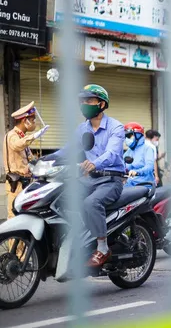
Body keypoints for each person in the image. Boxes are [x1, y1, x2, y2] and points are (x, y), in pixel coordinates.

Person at [49, 84, 125, 267]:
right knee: (58, 197)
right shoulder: (82, 128)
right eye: (82, 101)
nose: (84, 104)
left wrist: (94, 163)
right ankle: (78, 237)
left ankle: (103, 248)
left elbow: (112, 153)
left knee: (91, 203)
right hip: (90, 179)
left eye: (89, 100)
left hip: (111, 179)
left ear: (101, 104)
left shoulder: (116, 127)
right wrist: (46, 159)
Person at [3, 102, 48, 220]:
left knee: (25, 219)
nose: (34, 123)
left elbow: (29, 159)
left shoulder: (22, 136)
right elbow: (17, 145)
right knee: (14, 220)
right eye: (32, 120)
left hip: (25, 183)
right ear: (25, 121)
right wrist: (34, 136)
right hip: (16, 184)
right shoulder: (12, 135)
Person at [123, 122, 156, 188]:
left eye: (129, 136)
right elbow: (121, 164)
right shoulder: (129, 151)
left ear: (138, 135)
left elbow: (149, 166)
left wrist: (137, 172)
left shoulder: (147, 149)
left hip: (144, 185)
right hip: (130, 184)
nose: (127, 139)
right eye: (126, 137)